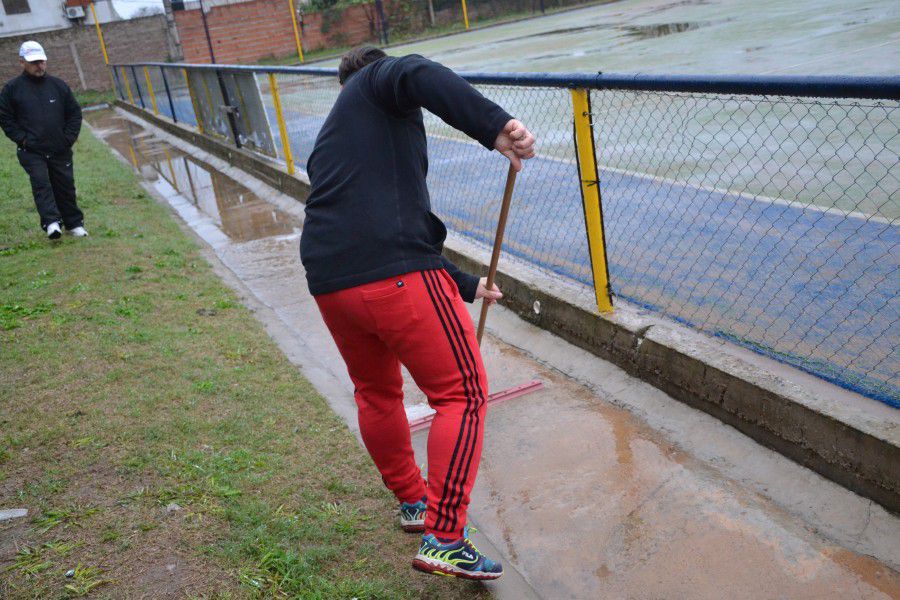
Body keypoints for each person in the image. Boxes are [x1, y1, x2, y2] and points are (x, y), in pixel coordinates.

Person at [300, 46, 535, 580]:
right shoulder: (380, 79)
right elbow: (414, 71)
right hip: (395, 275)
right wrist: (497, 126)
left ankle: (413, 502)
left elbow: (383, 222)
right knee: (463, 393)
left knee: (376, 392)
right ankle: (446, 536)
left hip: (332, 281)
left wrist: (465, 284)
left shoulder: (335, 141)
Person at [0, 41, 86, 239]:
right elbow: (5, 118)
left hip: (60, 147)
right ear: (22, 62)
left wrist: (68, 139)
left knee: (65, 184)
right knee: (41, 183)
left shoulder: (58, 85)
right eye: (34, 62)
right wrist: (23, 140)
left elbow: (74, 113)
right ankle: (52, 223)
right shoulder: (11, 89)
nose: (39, 66)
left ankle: (74, 224)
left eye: (42, 61)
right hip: (31, 150)